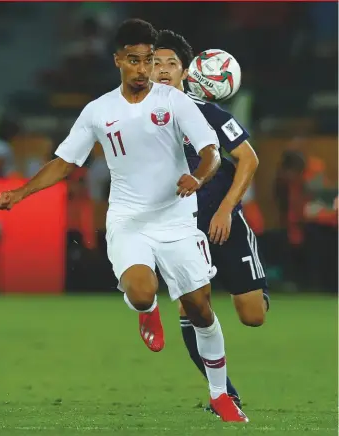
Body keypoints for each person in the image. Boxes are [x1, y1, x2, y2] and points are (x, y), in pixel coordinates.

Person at [0, 20, 247, 423]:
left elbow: (212, 153)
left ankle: (220, 395)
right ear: (118, 60)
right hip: (129, 220)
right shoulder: (99, 111)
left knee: (199, 309)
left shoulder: (174, 101)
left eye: (148, 61)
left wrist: (197, 177)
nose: (143, 69)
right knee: (143, 291)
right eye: (134, 60)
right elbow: (65, 162)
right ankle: (144, 310)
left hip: (177, 220)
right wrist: (20, 193)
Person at [152, 30, 270, 409]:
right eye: (157, 64)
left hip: (224, 224)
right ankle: (224, 393)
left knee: (253, 316)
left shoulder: (208, 113)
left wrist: (224, 209)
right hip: (182, 232)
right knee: (192, 310)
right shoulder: (139, 118)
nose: (163, 71)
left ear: (187, 72)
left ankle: (254, 289)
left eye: (171, 64)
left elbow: (249, 159)